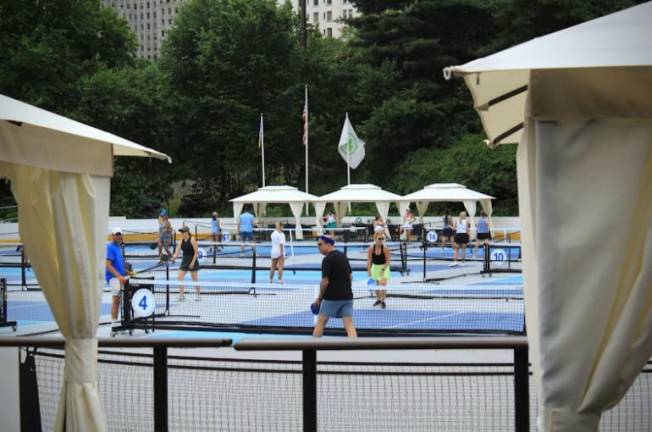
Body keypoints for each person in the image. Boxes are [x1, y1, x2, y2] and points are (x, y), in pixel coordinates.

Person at [312, 235, 357, 338]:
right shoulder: (343, 256)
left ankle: (313, 347)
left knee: (321, 322)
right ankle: (355, 349)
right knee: (349, 325)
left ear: (328, 244)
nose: (318, 247)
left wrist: (319, 299)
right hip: (347, 297)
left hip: (332, 298)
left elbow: (325, 282)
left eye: (320, 244)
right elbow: (350, 277)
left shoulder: (327, 259)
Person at [171, 226, 200, 301]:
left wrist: (192, 262)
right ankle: (181, 296)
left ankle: (198, 294)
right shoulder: (181, 240)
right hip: (185, 260)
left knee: (194, 279)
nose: (181, 233)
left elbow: (196, 252)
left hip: (192, 259)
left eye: (183, 232)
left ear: (187, 232)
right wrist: (173, 258)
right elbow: (177, 251)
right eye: (181, 232)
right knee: (179, 277)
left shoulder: (192, 239)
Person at [105, 227, 128, 323]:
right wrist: (119, 276)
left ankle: (124, 321)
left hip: (121, 277)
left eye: (120, 234)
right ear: (112, 236)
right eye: (116, 234)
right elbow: (108, 265)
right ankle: (114, 324)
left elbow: (119, 265)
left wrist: (128, 272)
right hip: (113, 278)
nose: (119, 236)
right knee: (116, 300)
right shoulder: (110, 247)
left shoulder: (119, 247)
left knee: (124, 300)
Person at [367, 231, 391, 309]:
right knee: (376, 286)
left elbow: (388, 260)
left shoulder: (385, 248)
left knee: (382, 285)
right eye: (379, 238)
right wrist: (369, 270)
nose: (381, 240)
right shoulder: (371, 248)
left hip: (384, 267)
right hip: (375, 268)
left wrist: (383, 269)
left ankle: (383, 300)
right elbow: (369, 260)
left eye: (382, 238)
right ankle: (378, 299)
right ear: (375, 239)